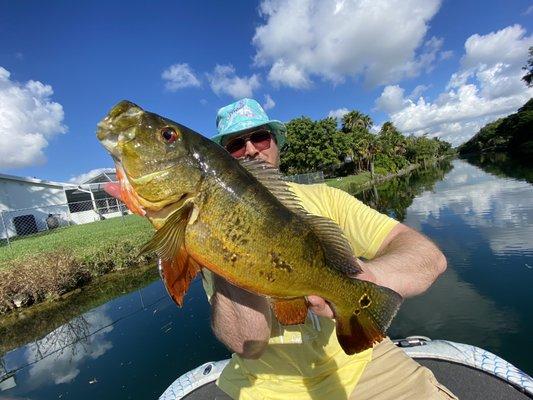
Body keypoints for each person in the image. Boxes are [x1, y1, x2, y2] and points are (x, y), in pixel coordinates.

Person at [203, 98, 456, 400]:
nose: (251, 149)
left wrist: (370, 276)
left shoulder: (327, 199)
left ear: (276, 142)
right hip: (265, 387)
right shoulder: (203, 225)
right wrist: (219, 246)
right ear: (225, 158)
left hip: (364, 364)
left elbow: (429, 257)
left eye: (259, 136)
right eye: (235, 145)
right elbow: (249, 343)